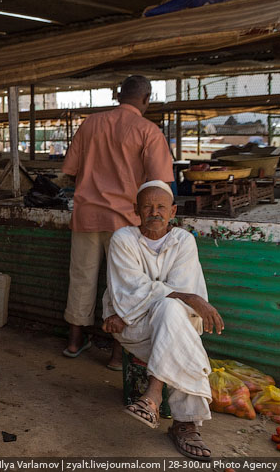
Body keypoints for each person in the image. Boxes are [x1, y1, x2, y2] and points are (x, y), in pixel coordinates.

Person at [61, 75, 174, 369]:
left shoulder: (89, 124)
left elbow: (70, 170)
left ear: (118, 95)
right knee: (123, 286)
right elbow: (159, 185)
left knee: (81, 279)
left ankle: (74, 342)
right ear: (146, 99)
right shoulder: (148, 131)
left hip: (86, 215)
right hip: (125, 221)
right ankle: (116, 354)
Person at [103, 181, 221, 461]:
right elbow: (129, 288)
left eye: (161, 207)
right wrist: (191, 298)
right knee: (173, 313)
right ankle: (186, 426)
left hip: (164, 322)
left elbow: (175, 297)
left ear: (173, 211)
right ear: (136, 210)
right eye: (148, 207)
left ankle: (152, 397)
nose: (155, 212)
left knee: (170, 310)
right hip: (135, 327)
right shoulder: (123, 239)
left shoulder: (183, 241)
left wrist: (181, 298)